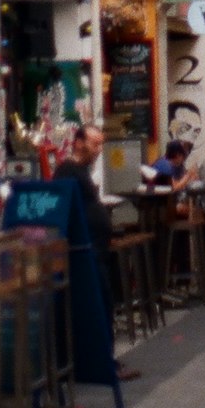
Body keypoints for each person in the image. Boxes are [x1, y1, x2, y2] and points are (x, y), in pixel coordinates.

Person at [54, 124, 141, 382]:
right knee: (99, 306)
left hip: (95, 249)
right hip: (86, 251)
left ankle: (104, 361)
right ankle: (102, 363)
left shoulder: (79, 171)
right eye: (95, 144)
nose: (98, 150)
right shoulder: (68, 170)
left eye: (101, 144)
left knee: (104, 303)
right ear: (79, 142)